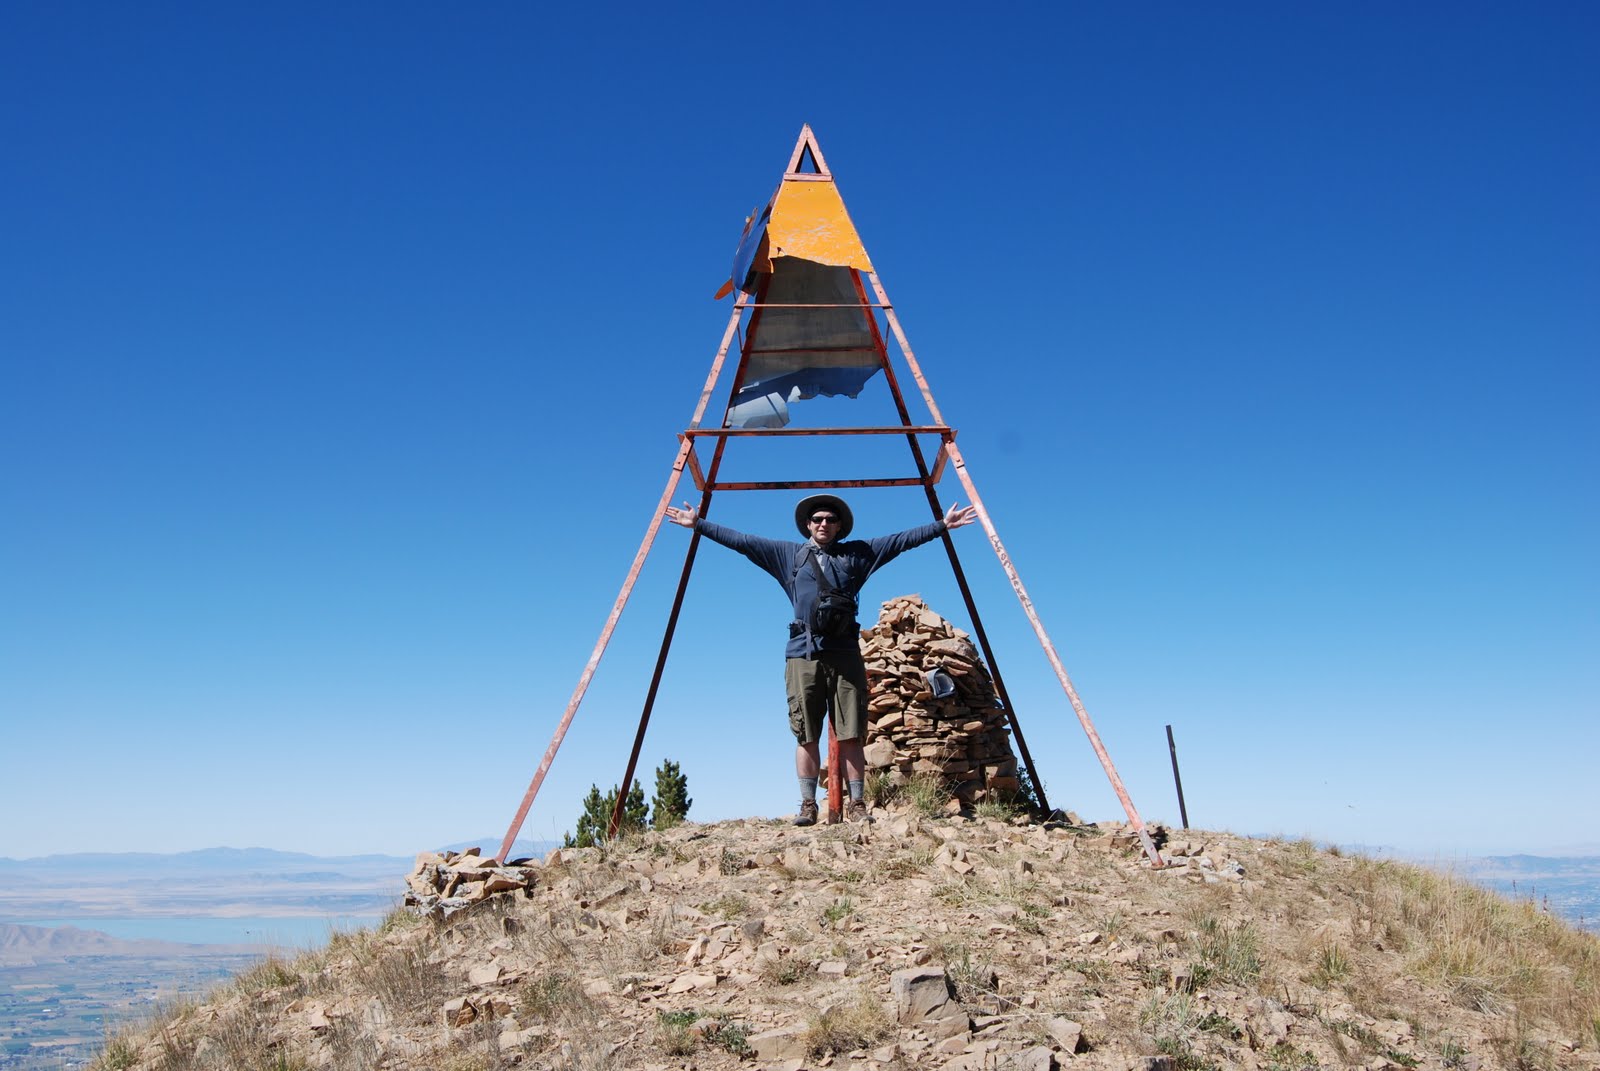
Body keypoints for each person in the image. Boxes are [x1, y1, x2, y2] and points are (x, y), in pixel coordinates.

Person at [665, 493, 979, 825]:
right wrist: (698, 524)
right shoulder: (788, 555)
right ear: (807, 525)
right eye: (817, 519)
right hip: (803, 655)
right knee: (806, 733)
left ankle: (857, 804)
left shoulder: (857, 555)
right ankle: (807, 804)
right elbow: (742, 542)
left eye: (830, 519)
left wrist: (942, 526)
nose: (823, 524)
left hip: (844, 654)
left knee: (851, 733)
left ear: (840, 525)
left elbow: (899, 541)